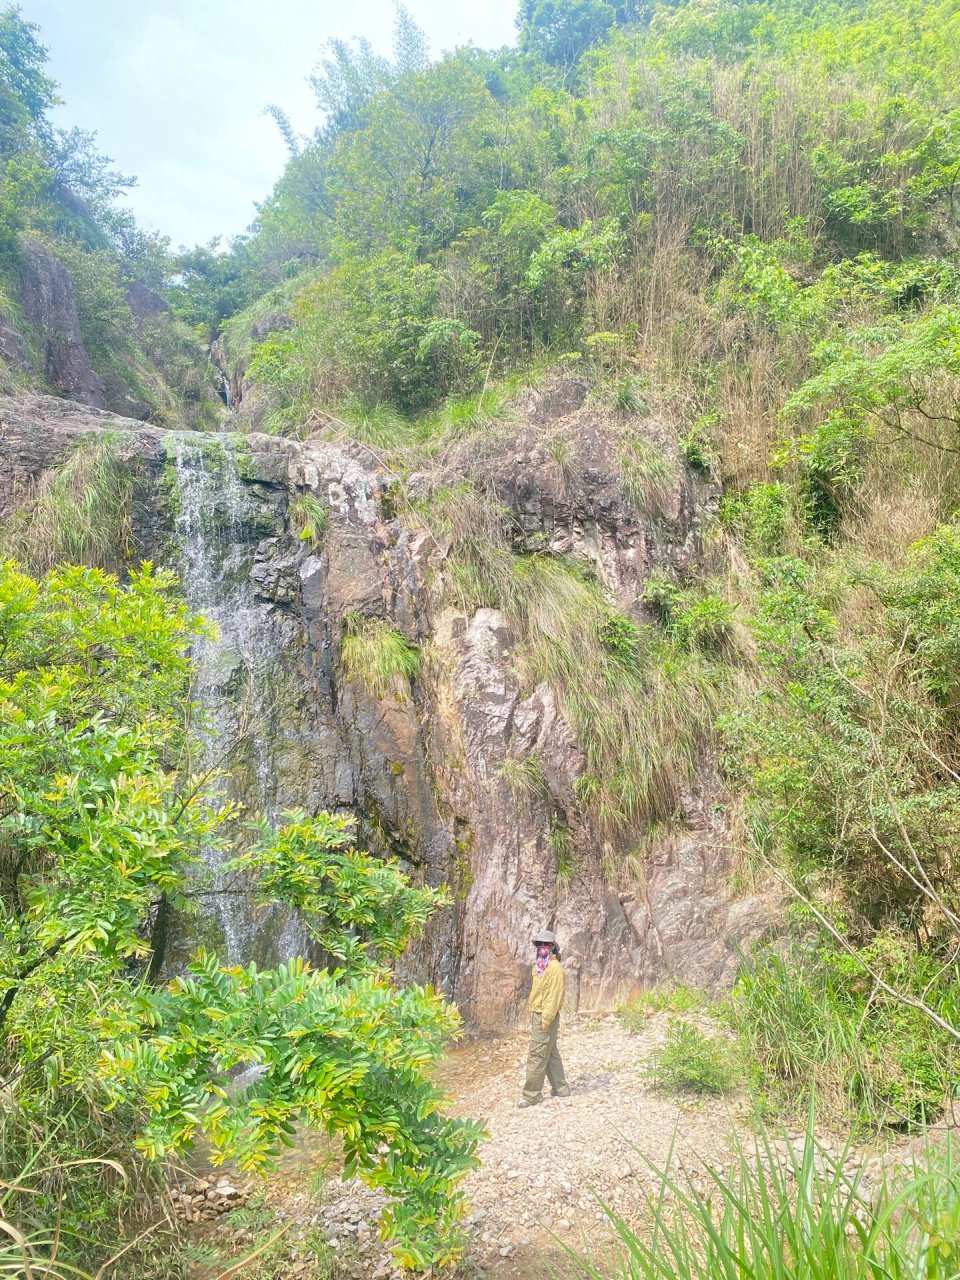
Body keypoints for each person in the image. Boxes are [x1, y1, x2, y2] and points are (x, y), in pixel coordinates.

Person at [518, 928, 571, 1107]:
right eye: (539, 944)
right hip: (538, 1013)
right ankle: (561, 1088)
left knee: (537, 1054)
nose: (542, 947)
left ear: (553, 947)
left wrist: (546, 1019)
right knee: (549, 1052)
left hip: (544, 1016)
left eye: (546, 945)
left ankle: (531, 1095)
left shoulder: (554, 968)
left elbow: (554, 997)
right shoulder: (541, 966)